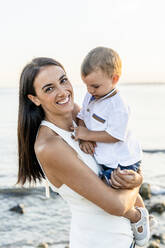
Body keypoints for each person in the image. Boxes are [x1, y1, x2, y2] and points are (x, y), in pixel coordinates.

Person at [17, 57, 144, 248]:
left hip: (124, 238)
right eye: (49, 88)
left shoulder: (80, 115)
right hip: (100, 242)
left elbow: (122, 150)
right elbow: (117, 205)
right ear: (34, 99)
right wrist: (138, 181)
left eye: (63, 80)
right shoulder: (49, 145)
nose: (63, 92)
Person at [74, 47, 150, 246]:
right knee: (112, 192)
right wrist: (84, 138)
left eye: (95, 86)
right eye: (86, 85)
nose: (90, 90)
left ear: (114, 79)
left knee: (118, 193)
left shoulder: (118, 106)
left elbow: (116, 135)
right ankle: (140, 216)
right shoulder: (91, 96)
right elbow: (82, 118)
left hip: (122, 159)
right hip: (105, 157)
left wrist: (87, 134)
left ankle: (138, 217)